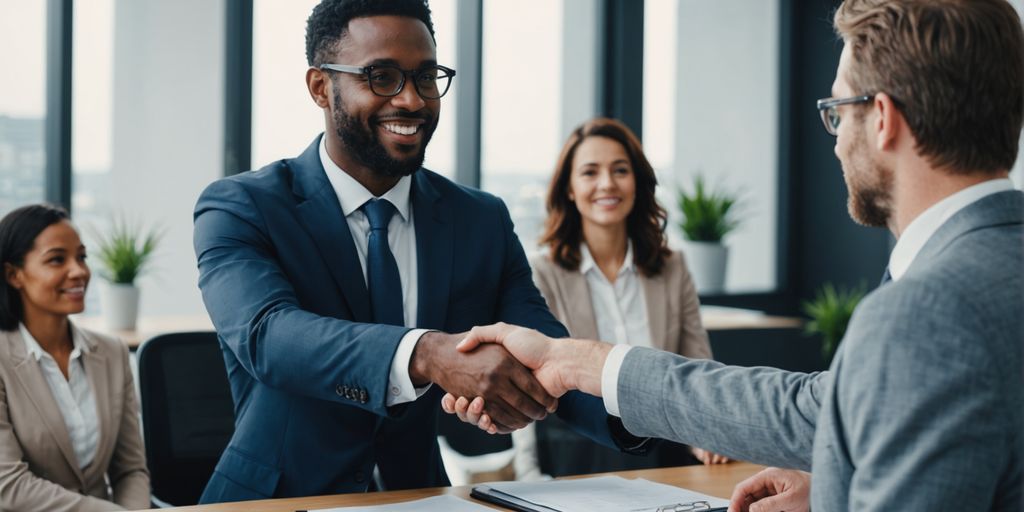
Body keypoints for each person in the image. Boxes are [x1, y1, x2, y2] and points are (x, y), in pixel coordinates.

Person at [444, 0, 1024, 509]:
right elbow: (824, 411)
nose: (837, 139)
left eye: (837, 111)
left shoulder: (923, 311)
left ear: (881, 118)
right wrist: (579, 361)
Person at [192, 0, 633, 503]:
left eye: (425, 78)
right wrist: (427, 354)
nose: (411, 100)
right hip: (277, 499)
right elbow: (267, 335)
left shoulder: (479, 219)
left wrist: (651, 415)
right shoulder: (243, 206)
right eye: (381, 77)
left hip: (418, 497)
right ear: (320, 86)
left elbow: (544, 350)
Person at [513, 117, 726, 478]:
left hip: (663, 452)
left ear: (638, 182)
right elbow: (527, 381)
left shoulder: (673, 266)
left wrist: (708, 436)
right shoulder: (541, 272)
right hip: (577, 459)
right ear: (569, 188)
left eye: (620, 170)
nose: (607, 184)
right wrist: (529, 472)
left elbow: (699, 369)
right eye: (590, 172)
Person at [0, 204, 150, 511]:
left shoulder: (112, 353)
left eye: (81, 257)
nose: (79, 270)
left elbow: (130, 470)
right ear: (14, 275)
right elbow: (9, 486)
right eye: (57, 259)